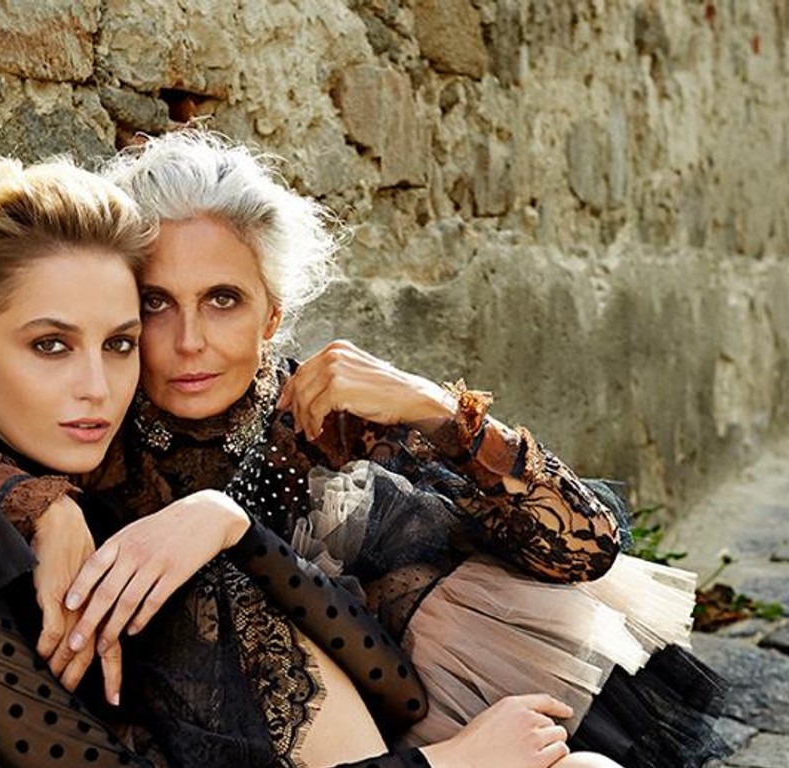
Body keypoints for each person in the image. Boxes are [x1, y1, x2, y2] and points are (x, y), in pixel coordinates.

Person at [42, 129, 729, 768]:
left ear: (272, 315)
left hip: (464, 711)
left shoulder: (332, 416)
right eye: (157, 303)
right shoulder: (91, 433)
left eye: (223, 300)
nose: (190, 341)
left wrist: (441, 411)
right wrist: (47, 505)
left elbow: (587, 548)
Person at [0, 155, 443, 768]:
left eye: (118, 344)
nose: (97, 387)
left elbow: (398, 690)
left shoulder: (118, 516)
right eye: (51, 345)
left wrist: (228, 523)